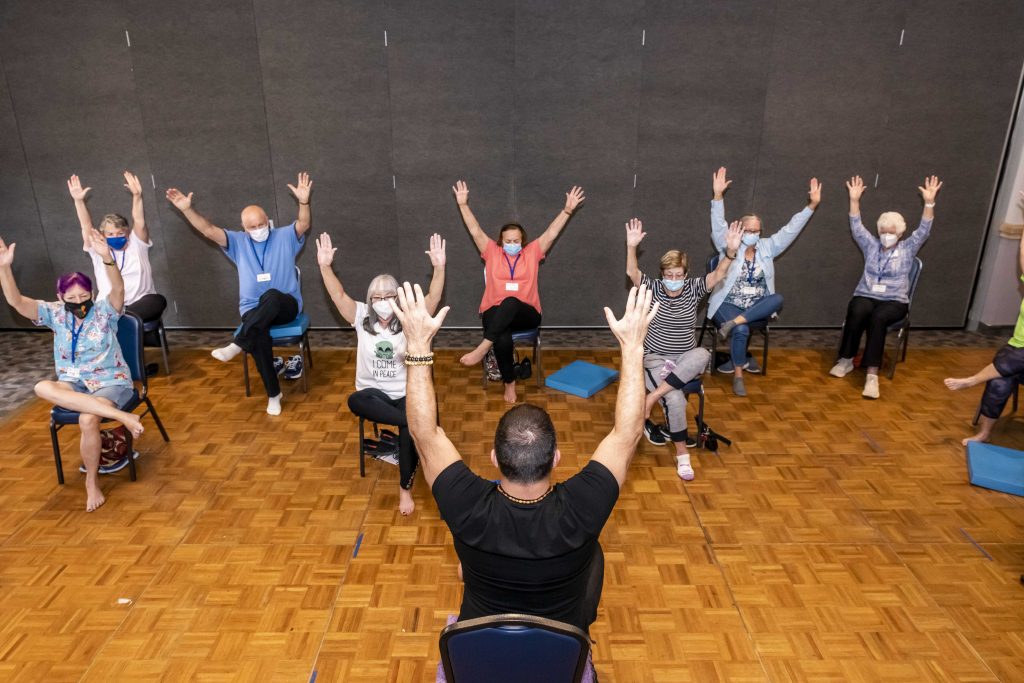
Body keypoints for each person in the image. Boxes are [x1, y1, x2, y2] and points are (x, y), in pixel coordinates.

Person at [394, 279, 657, 635]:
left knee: (467, 567)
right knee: (593, 554)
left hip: (479, 656)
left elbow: (424, 435)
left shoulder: (466, 505)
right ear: (556, 459)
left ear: (493, 458)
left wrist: (418, 345)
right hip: (560, 656)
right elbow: (627, 435)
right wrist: (633, 347)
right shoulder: (582, 510)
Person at [0, 232, 144, 512]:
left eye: (84, 295)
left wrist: (107, 259)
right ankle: (121, 416)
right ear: (60, 297)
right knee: (42, 387)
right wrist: (4, 268)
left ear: (92, 293)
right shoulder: (54, 313)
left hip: (110, 381)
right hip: (73, 383)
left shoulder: (105, 310)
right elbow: (17, 302)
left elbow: (118, 290)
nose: (79, 302)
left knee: (88, 419)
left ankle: (92, 482)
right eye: (72, 297)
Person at [316, 231, 447, 515]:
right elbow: (337, 294)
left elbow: (434, 296)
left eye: (389, 295)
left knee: (405, 422)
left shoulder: (409, 316)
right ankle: (419, 426)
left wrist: (439, 267)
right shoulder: (361, 316)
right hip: (372, 394)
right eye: (378, 296)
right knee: (357, 402)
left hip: (404, 393)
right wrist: (325, 266)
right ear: (370, 299)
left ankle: (405, 491)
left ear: (398, 297)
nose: (383, 300)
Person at [165, 173, 313, 415]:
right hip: (253, 310)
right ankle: (274, 394)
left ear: (269, 221)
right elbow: (208, 230)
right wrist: (187, 210)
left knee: (272, 296)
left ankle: (238, 343)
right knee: (259, 334)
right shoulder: (237, 242)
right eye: (252, 227)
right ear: (244, 228)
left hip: (285, 306)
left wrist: (304, 202)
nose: (258, 230)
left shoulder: (285, 236)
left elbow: (304, 224)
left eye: (261, 224)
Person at [625, 217, 742, 480]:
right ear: (662, 275)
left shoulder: (693, 288)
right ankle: (682, 456)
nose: (674, 280)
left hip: (685, 358)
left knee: (703, 354)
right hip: (656, 358)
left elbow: (719, 273)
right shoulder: (653, 288)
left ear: (685, 275)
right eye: (669, 275)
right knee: (676, 398)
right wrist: (631, 247)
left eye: (678, 275)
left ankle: (652, 398)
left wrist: (731, 252)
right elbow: (633, 273)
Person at [453, 180, 585, 403]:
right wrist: (463, 205)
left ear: (522, 241)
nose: (512, 244)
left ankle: (483, 347)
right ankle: (509, 384)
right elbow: (475, 230)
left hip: (527, 314)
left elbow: (551, 233)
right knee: (502, 338)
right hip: (494, 314)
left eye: (516, 240)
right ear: (501, 241)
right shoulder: (492, 253)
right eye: (507, 241)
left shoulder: (532, 253)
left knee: (512, 301)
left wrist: (567, 210)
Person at [708, 167, 821, 396]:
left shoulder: (768, 247)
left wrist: (811, 206)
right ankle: (738, 374)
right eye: (747, 229)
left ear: (761, 232)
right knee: (741, 328)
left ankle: (734, 326)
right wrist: (718, 196)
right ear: (739, 229)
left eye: (756, 230)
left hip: (756, 305)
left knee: (777, 299)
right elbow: (718, 223)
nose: (751, 233)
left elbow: (791, 229)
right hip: (726, 303)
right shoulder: (728, 244)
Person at [831, 175, 942, 398]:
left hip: (895, 300)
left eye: (892, 232)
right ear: (878, 231)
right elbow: (856, 226)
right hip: (866, 294)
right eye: (884, 231)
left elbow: (924, 230)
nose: (887, 235)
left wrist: (929, 202)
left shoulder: (908, 248)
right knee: (857, 309)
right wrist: (854, 200)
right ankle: (846, 360)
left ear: (900, 233)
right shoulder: (870, 246)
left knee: (878, 318)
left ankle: (872, 374)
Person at [945, 191, 1024, 444]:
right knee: (1000, 381)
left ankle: (972, 379)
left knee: (1012, 359)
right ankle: (985, 432)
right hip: (1018, 356)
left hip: (1017, 355)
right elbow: (1023, 258)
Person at [67, 173, 167, 365]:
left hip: (141, 304)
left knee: (157, 300)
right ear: (103, 235)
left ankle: (122, 347)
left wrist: (137, 196)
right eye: (111, 234)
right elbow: (85, 225)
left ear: (127, 233)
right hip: (111, 306)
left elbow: (139, 220)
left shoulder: (137, 244)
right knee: (104, 316)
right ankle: (120, 361)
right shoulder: (99, 250)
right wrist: (79, 201)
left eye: (120, 233)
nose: (116, 236)